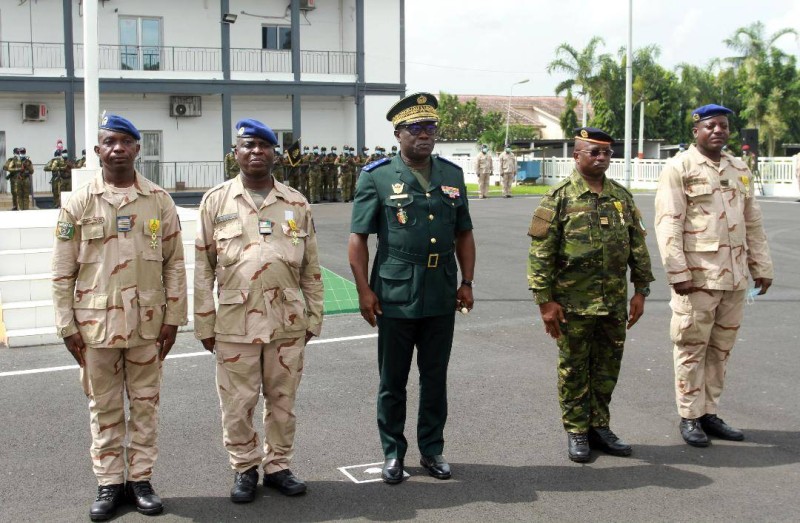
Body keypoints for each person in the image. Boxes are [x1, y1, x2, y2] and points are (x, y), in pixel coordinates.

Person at [51, 114, 188, 520]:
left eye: (125, 141)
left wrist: (173, 318)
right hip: (95, 328)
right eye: (109, 142)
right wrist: (66, 326)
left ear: (137, 149)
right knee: (104, 407)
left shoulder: (158, 200)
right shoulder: (79, 203)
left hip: (147, 325)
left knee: (145, 406)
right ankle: (110, 483)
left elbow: (174, 265)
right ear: (98, 151)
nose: (117, 148)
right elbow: (62, 271)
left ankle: (141, 480)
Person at [348, 92, 476, 484]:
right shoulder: (377, 176)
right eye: (416, 128)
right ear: (398, 133)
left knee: (435, 377)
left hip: (441, 290)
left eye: (431, 127)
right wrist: (364, 291)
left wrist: (467, 281)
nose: (425, 134)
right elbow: (358, 240)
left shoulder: (451, 175)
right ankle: (393, 452)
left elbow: (464, 233)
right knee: (393, 380)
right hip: (395, 291)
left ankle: (432, 450)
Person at [194, 118, 324, 504]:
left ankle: (279, 465)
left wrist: (314, 317)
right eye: (247, 146)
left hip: (287, 321)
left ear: (274, 153)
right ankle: (245, 467)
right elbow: (202, 268)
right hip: (234, 322)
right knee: (237, 403)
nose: (255, 152)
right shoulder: (216, 201)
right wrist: (204, 321)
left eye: (263, 146)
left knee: (283, 400)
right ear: (235, 153)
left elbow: (311, 269)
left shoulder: (296, 203)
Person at [527, 127, 654, 463]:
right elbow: (541, 254)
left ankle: (599, 426)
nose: (601, 158)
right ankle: (577, 430)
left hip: (612, 302)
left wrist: (640, 290)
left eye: (607, 153)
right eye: (593, 152)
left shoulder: (621, 196)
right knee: (574, 368)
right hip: (572, 304)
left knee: (607, 368)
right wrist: (545, 302)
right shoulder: (559, 197)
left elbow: (637, 246)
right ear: (577, 155)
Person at [654, 104, 774, 447]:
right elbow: (668, 223)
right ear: (697, 131)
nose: (718, 131)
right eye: (711, 126)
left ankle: (709, 412)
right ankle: (689, 416)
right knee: (691, 347)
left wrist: (761, 267)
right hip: (697, 278)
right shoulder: (680, 167)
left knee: (720, 350)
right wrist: (677, 272)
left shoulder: (739, 168)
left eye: (723, 126)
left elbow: (752, 220)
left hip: (735, 279)